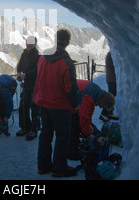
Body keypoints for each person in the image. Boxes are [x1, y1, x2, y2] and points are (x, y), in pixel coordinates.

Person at [33, 29, 79, 178]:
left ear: (55, 39)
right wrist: (75, 103)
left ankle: (43, 166)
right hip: (59, 105)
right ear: (68, 42)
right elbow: (70, 88)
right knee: (62, 136)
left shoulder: (43, 58)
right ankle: (59, 168)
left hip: (43, 102)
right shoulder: (66, 62)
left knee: (45, 134)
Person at [16, 36, 40, 140]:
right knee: (23, 106)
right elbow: (19, 66)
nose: (29, 44)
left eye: (31, 43)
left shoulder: (37, 55)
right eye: (27, 42)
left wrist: (26, 75)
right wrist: (19, 73)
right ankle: (25, 127)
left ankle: (34, 129)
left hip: (35, 84)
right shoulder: (24, 54)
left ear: (35, 44)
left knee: (34, 107)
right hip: (26, 84)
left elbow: (37, 70)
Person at [100, 51, 119, 121]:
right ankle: (104, 114)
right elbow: (115, 65)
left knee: (112, 95)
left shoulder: (109, 54)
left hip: (111, 78)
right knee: (111, 97)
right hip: (112, 79)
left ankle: (109, 113)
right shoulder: (111, 54)